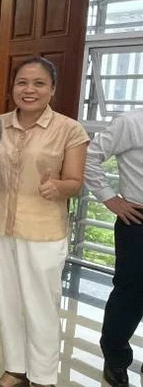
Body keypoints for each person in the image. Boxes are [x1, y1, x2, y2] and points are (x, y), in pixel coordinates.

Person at [0, 57, 89, 387]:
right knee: (7, 303)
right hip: (0, 227)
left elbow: (76, 181)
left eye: (39, 83)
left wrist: (58, 186)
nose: (29, 90)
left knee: (41, 307)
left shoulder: (69, 129)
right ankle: (15, 369)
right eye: (22, 83)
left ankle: (43, 378)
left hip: (43, 231)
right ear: (12, 87)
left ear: (52, 89)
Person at [84, 107, 143, 387]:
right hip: (138, 220)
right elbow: (89, 158)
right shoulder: (131, 122)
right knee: (129, 295)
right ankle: (116, 359)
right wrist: (109, 198)